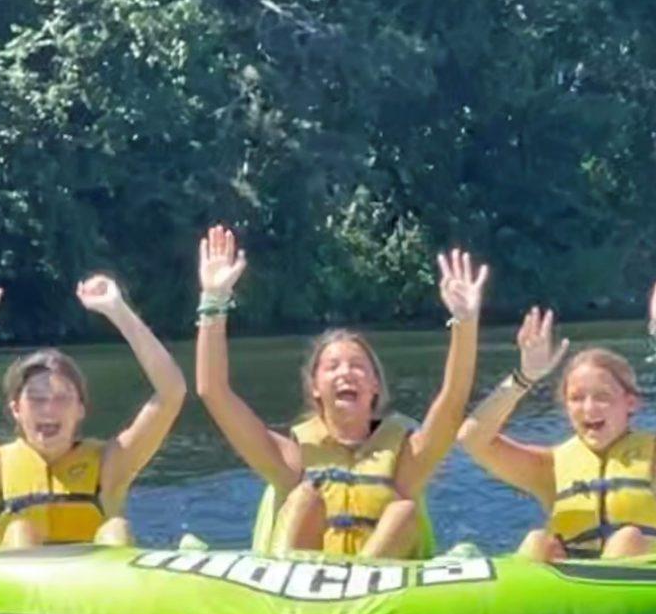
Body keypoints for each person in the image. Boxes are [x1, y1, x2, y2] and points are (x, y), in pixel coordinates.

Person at [194, 223, 488, 558]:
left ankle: (362, 580)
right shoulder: (291, 458)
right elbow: (213, 391)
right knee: (306, 498)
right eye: (332, 367)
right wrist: (213, 301)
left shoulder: (405, 458)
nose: (346, 373)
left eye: (358, 366)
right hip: (297, 594)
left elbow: (453, 401)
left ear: (375, 386)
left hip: (380, 593)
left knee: (402, 511)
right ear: (315, 388)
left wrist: (465, 322)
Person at [0, 275, 186, 547]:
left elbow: (172, 393)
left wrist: (118, 311)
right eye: (36, 399)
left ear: (81, 409)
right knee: (20, 531)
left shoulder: (111, 464)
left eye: (62, 398)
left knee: (115, 530)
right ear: (16, 410)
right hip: (15, 583)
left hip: (95, 593)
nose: (49, 409)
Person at [456, 271, 656, 560]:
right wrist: (524, 378)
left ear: (630, 403)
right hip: (569, 593)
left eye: (603, 397)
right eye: (576, 398)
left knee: (628, 539)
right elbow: (472, 438)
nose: (589, 408)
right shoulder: (550, 467)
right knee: (537, 542)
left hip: (643, 588)